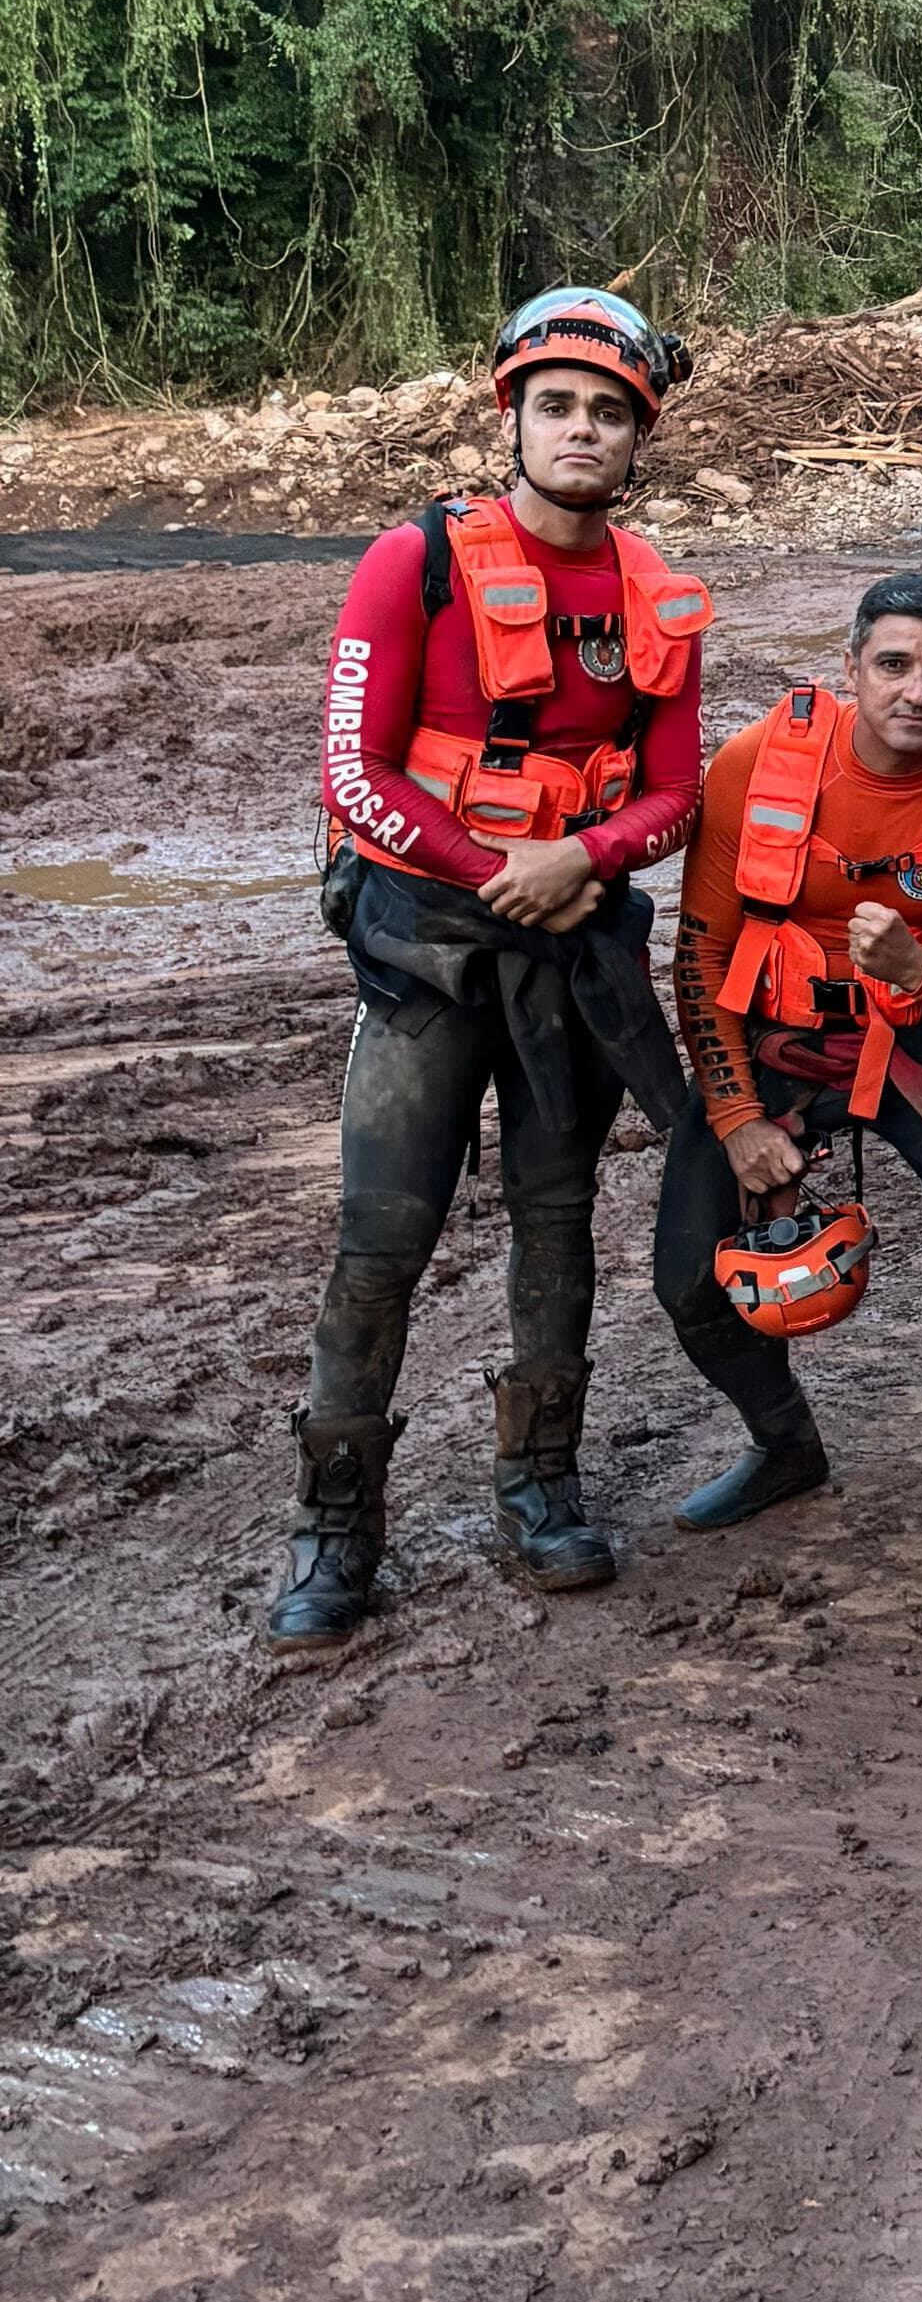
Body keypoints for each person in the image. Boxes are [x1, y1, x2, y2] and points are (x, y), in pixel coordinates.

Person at [278, 285, 711, 1647]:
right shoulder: (411, 562)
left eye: (609, 412)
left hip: (573, 943)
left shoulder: (657, 595)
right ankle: (334, 1527)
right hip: (426, 948)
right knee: (380, 1240)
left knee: (556, 1217)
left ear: (639, 435)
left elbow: (678, 793)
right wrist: (493, 870)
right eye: (558, 405)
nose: (583, 429)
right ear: (511, 418)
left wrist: (580, 858)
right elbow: (354, 770)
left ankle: (542, 1488)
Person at [656, 572, 922, 1527]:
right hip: (776, 1039)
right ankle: (782, 1446)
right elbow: (700, 955)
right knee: (687, 1280)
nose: (916, 692)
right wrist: (737, 1118)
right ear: (850, 668)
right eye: (893, 665)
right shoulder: (755, 765)